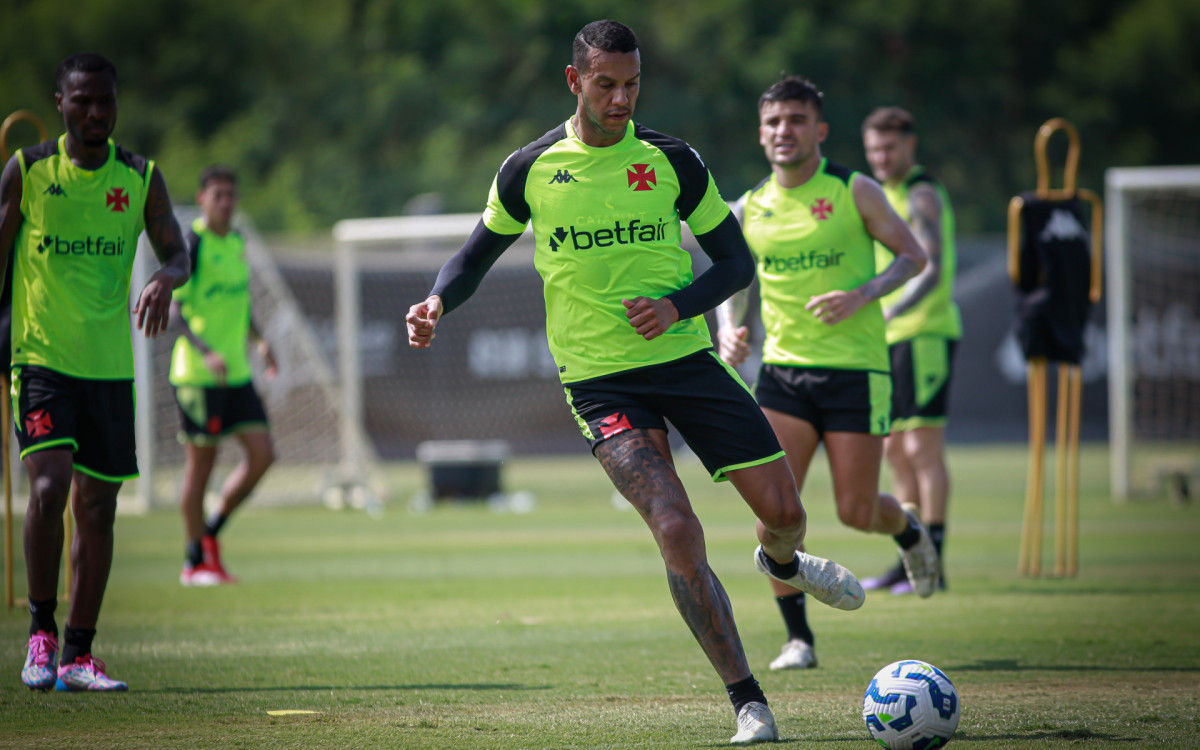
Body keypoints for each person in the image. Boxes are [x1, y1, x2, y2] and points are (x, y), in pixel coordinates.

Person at [407, 21, 864, 745]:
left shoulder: (673, 160)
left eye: (632, 84)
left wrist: (677, 307)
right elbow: (472, 257)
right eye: (605, 84)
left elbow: (735, 265)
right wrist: (436, 301)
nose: (620, 99)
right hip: (598, 383)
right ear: (573, 80)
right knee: (677, 529)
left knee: (786, 513)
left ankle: (780, 559)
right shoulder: (528, 170)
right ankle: (749, 702)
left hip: (686, 363)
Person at [716, 77, 939, 673]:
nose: (783, 131)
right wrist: (729, 329)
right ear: (761, 134)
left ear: (819, 130)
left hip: (856, 373)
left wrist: (862, 294)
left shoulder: (853, 190)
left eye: (795, 120)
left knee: (855, 511)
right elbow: (732, 280)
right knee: (774, 516)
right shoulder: (748, 205)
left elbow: (915, 258)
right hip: (784, 378)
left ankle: (910, 530)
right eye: (773, 122)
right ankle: (799, 640)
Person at [0, 53, 191, 691]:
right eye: (82, 100)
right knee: (49, 489)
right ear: (60, 101)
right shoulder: (28, 170)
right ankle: (40, 635)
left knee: (99, 507)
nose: (95, 112)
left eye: (105, 101)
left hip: (110, 368)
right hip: (41, 358)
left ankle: (79, 656)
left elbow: (177, 252)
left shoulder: (140, 178)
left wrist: (166, 277)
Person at [860, 107, 961, 595]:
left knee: (922, 449)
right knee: (894, 450)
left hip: (924, 334)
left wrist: (890, 311)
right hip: (892, 341)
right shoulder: (882, 195)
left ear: (909, 146)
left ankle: (934, 562)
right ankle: (909, 558)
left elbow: (933, 268)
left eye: (889, 148)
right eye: (874, 149)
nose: (881, 157)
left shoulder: (921, 194)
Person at [171, 165, 277, 586]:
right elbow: (175, 310)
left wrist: (261, 340)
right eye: (218, 195)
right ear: (202, 199)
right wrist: (206, 352)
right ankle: (193, 560)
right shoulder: (192, 243)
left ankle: (210, 532)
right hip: (198, 375)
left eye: (231, 195)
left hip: (236, 374)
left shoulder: (235, 242)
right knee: (202, 467)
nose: (226, 202)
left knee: (264, 455)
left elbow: (241, 304)